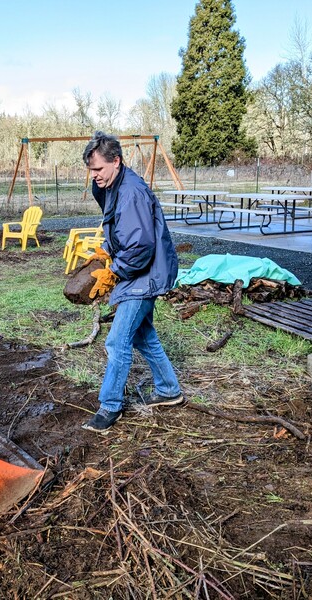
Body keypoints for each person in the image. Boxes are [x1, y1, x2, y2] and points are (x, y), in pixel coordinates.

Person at [81, 131, 183, 434]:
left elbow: (140, 247)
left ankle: (110, 405)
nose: (94, 176)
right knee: (141, 336)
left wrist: (114, 271)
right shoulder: (113, 185)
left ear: (116, 161)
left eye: (98, 169)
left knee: (117, 341)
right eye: (91, 170)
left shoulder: (131, 192)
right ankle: (168, 389)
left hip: (143, 274)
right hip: (136, 272)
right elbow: (121, 231)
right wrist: (107, 251)